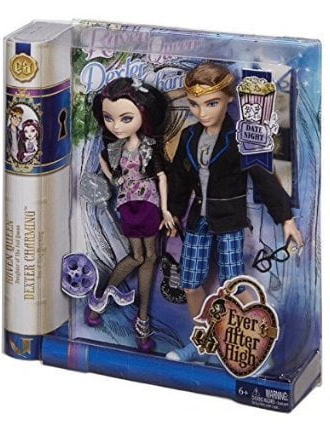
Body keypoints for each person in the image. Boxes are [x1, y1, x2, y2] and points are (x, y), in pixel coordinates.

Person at [166, 62, 303, 362]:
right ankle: (201, 342)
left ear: (229, 98)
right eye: (194, 104)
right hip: (198, 220)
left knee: (234, 283)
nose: (202, 112)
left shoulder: (240, 138)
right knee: (190, 282)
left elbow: (264, 178)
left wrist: (286, 219)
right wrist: (172, 211)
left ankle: (252, 344)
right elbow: (179, 178)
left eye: (211, 103)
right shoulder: (189, 136)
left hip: (229, 219)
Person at [86, 77, 175, 353]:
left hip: (149, 204)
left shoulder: (148, 146)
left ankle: (139, 316)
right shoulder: (114, 149)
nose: (116, 126)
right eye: (109, 118)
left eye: (126, 118)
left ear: (142, 114)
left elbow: (161, 177)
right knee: (140, 257)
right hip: (128, 204)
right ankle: (104, 301)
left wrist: (165, 209)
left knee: (150, 257)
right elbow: (105, 164)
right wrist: (113, 177)